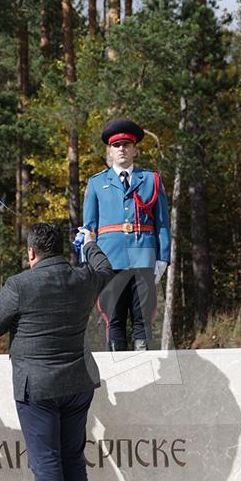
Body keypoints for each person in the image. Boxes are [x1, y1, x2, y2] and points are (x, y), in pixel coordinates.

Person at [0, 223, 113, 481]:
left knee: (47, 461)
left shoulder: (20, 285)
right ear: (59, 249)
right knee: (72, 459)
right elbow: (104, 269)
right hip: (77, 383)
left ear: (31, 253)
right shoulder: (81, 278)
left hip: (36, 386)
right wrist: (91, 245)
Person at [82, 118, 171, 351]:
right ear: (109, 151)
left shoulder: (151, 180)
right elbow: (88, 228)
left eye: (126, 145)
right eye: (116, 145)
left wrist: (163, 258)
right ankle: (117, 366)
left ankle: (144, 366)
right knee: (114, 318)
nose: (121, 149)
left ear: (135, 150)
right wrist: (89, 262)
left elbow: (162, 223)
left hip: (143, 257)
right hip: (109, 260)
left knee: (143, 318)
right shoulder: (96, 183)